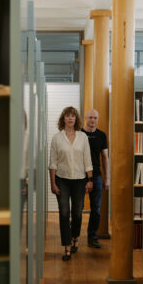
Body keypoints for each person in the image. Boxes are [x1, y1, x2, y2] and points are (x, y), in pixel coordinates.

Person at [49, 106, 93, 261]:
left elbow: (87, 160)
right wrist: (53, 183)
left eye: (73, 116)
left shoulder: (83, 137)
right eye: (67, 116)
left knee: (77, 213)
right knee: (64, 213)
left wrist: (90, 180)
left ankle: (75, 237)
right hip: (62, 179)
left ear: (76, 119)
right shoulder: (56, 138)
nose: (70, 118)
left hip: (80, 180)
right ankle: (67, 247)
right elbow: (52, 163)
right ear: (63, 119)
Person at [81, 109, 109, 249]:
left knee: (96, 209)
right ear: (85, 118)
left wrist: (107, 178)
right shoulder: (79, 134)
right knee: (77, 208)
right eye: (90, 117)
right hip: (79, 175)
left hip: (97, 175)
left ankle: (92, 237)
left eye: (95, 118)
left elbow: (105, 157)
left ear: (98, 119)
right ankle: (74, 237)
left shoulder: (102, 135)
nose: (93, 120)